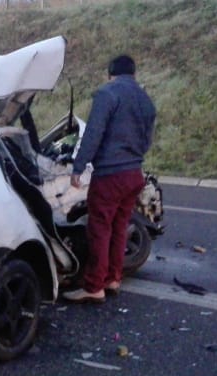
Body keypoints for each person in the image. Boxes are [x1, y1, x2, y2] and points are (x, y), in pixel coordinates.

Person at [63, 55, 156, 304]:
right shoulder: (145, 99)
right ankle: (113, 278)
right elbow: (148, 139)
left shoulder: (108, 94)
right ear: (133, 74)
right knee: (119, 227)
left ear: (110, 74)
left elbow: (94, 132)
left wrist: (78, 167)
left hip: (110, 175)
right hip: (134, 174)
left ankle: (94, 287)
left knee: (99, 229)